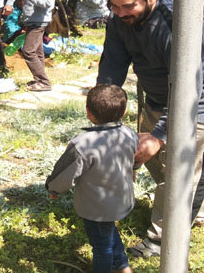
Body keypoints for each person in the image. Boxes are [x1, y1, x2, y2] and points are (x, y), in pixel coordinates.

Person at [96, 0, 204, 259]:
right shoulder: (119, 20)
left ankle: (163, 240)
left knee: (184, 173)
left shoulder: (179, 25)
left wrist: (159, 136)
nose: (120, 13)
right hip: (158, 99)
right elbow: (112, 65)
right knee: (156, 163)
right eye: (114, 6)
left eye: (128, 6)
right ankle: (187, 208)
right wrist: (103, 112)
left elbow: (188, 87)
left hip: (201, 102)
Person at [46, 84, 137, 273]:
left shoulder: (83, 144)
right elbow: (133, 158)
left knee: (102, 246)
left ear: (88, 112)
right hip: (122, 200)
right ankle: (122, 266)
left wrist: (53, 188)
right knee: (109, 232)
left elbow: (65, 173)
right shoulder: (129, 134)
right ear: (124, 112)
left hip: (97, 207)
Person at [17, 0, 56, 92]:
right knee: (38, 51)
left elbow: (48, 2)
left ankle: (44, 82)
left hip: (39, 21)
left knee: (28, 51)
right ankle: (39, 79)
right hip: (33, 20)